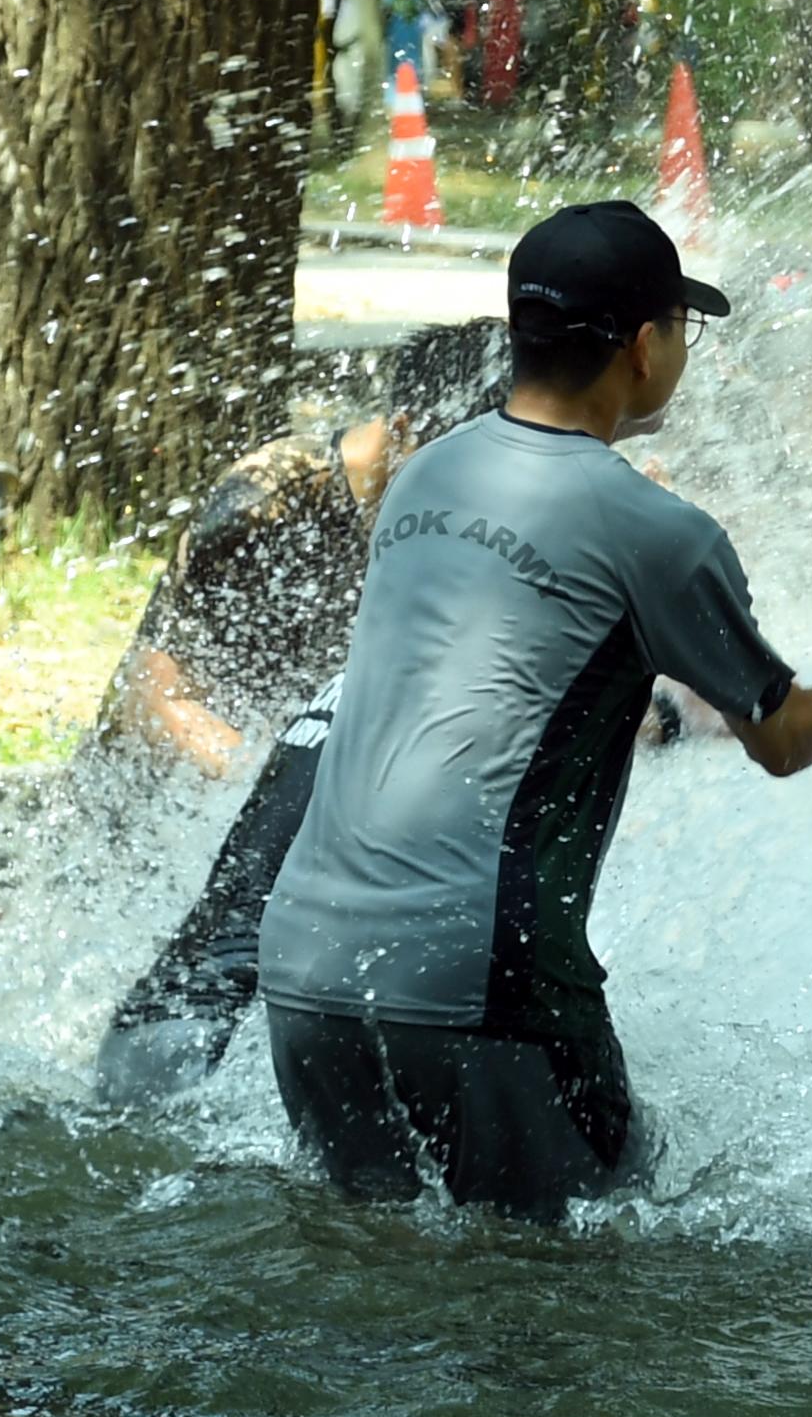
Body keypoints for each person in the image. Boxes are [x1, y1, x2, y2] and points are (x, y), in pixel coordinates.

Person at [253, 200, 812, 1218]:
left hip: (303, 958)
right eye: (684, 328)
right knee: (580, 1264)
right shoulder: (656, 528)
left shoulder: (422, 476)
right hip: (476, 975)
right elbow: (786, 738)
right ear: (645, 346)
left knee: (368, 1267)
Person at [87, 319, 513, 1104]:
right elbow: (154, 698)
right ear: (410, 432)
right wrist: (281, 779)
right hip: (158, 810)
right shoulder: (274, 496)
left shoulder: (445, 523)